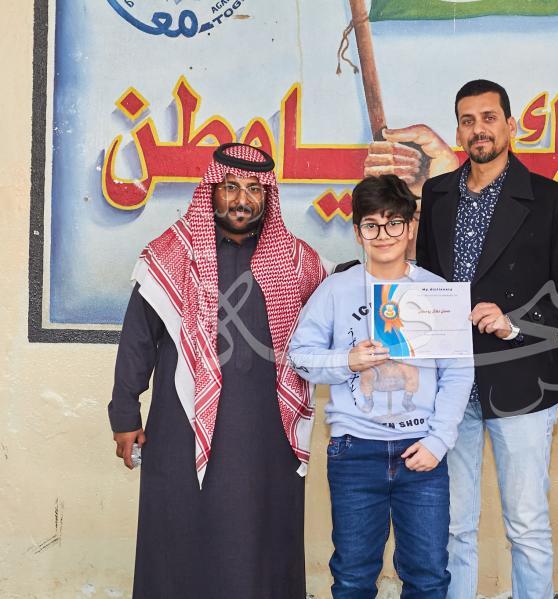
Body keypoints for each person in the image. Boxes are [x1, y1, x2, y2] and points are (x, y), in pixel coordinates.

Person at [108, 143, 326, 599]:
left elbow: (334, 317)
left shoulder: (297, 261)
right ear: (212, 191)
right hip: (181, 425)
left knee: (261, 541)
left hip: (268, 435)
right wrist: (125, 415)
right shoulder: (172, 254)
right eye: (230, 187)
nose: (241, 199)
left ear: (268, 195)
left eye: (253, 189)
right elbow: (138, 339)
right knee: (180, 533)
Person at [416, 79, 558, 598]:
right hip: (450, 386)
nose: (479, 130)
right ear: (458, 131)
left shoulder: (550, 200)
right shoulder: (437, 195)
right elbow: (425, 282)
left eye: (489, 118)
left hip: (523, 381)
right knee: (453, 526)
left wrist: (516, 320)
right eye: (468, 120)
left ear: (511, 126)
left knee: (527, 526)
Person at [287, 174, 473, 598]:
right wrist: (346, 360)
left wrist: (438, 441)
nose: (383, 234)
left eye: (394, 223)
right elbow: (300, 355)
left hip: (421, 450)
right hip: (354, 451)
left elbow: (459, 371)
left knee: (428, 576)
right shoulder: (336, 290)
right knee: (353, 576)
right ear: (357, 233)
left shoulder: (436, 291)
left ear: (410, 228)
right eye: (371, 225)